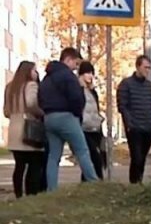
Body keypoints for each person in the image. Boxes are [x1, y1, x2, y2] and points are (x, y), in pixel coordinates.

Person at [38, 47, 98, 191]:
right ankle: (94, 183)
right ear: (68, 59)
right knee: (82, 150)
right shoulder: (68, 76)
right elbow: (76, 98)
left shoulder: (47, 77)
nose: (76, 68)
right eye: (76, 63)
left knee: (54, 156)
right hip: (66, 117)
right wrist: (77, 114)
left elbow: (39, 98)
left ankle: (51, 189)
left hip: (49, 118)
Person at [3, 61, 45, 198]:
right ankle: (31, 194)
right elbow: (31, 103)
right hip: (28, 128)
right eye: (34, 70)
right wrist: (41, 113)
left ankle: (18, 195)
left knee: (19, 165)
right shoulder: (31, 85)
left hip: (14, 128)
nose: (36, 73)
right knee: (34, 164)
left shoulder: (10, 87)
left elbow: (6, 111)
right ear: (28, 72)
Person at [117, 55, 151, 184]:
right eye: (145, 67)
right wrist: (129, 123)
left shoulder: (150, 87)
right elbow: (122, 106)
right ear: (138, 67)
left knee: (142, 158)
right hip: (134, 128)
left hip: (148, 128)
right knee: (137, 157)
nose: (148, 70)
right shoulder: (126, 84)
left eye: (149, 68)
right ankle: (134, 182)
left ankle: (138, 181)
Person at [78, 62, 104, 181]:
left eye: (92, 73)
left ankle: (86, 183)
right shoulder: (78, 89)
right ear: (81, 74)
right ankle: (98, 181)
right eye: (87, 73)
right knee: (94, 157)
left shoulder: (93, 91)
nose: (90, 76)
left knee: (94, 158)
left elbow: (96, 110)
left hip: (95, 128)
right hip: (83, 128)